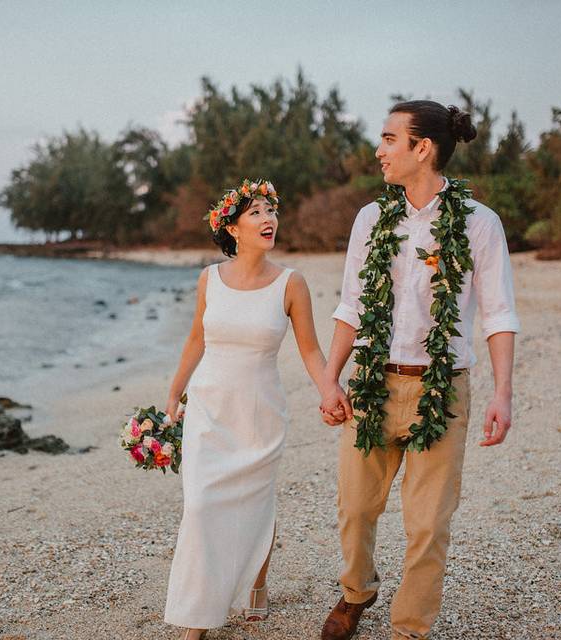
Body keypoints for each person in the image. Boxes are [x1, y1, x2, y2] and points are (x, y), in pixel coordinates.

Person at [317, 100, 521, 640]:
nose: (378, 150)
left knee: (428, 524)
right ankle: (357, 592)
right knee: (356, 508)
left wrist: (503, 393)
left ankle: (410, 628)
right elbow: (350, 306)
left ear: (421, 148)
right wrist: (329, 379)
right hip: (373, 382)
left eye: (388, 139)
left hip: (442, 388)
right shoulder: (371, 219)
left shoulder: (480, 223)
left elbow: (499, 312)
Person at [163, 179, 339, 639]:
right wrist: (172, 394)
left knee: (256, 504)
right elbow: (196, 340)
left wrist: (329, 390)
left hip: (259, 412)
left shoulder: (291, 283)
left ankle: (257, 583)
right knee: (200, 506)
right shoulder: (208, 279)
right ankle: (197, 616)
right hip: (209, 407)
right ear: (233, 228)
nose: (268, 219)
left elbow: (311, 352)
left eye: (270, 211)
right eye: (256, 212)